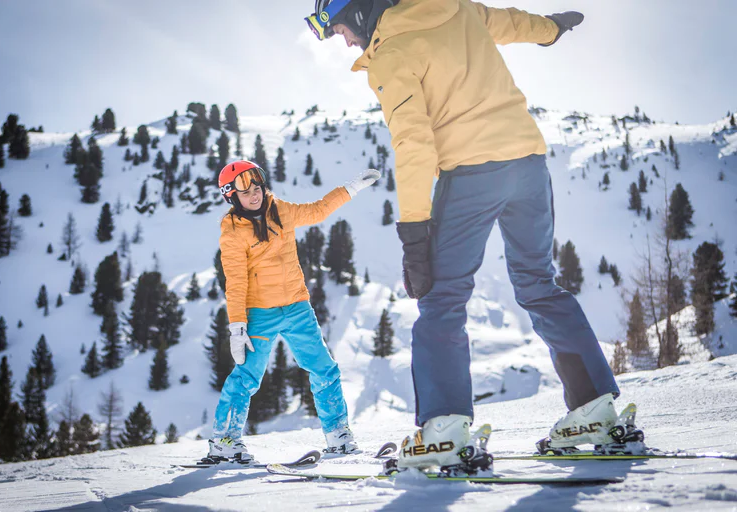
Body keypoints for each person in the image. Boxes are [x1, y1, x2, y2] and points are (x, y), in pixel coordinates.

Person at [306, 0, 632, 470]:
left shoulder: (393, 52)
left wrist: (415, 233)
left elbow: (414, 143)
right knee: (539, 285)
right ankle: (595, 409)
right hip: (529, 165)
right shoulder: (456, 10)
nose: (346, 42)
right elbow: (511, 22)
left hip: (473, 173)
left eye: (340, 30)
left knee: (441, 299)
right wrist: (552, 30)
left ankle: (444, 430)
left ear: (361, 11)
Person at [208, 159, 380, 461]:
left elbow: (318, 209)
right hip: (259, 312)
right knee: (246, 376)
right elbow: (235, 280)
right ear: (231, 195)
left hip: (297, 307)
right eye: (243, 188)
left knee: (324, 368)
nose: (253, 192)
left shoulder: (281, 210)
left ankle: (338, 435)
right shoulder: (232, 231)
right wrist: (237, 326)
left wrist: (351, 189)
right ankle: (224, 440)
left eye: (256, 183)